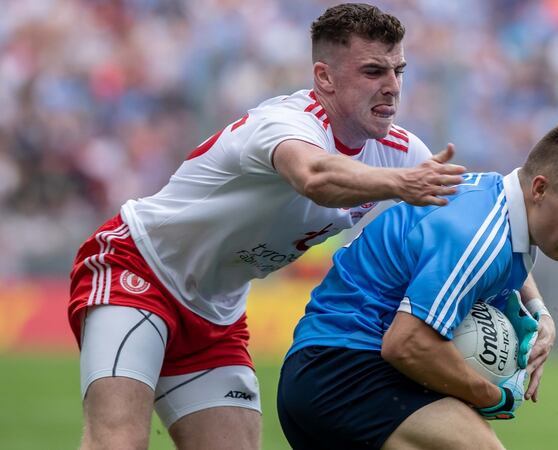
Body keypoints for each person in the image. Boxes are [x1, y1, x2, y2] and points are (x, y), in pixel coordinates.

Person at [66, 4, 475, 450]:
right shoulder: (283, 123)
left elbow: (471, 224)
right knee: (118, 441)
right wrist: (402, 183)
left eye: (399, 70)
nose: (392, 87)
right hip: (138, 269)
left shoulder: (401, 151)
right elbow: (314, 177)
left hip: (216, 313)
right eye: (374, 71)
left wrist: (536, 308)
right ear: (324, 77)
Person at [277, 121, 558, 450]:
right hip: (343, 372)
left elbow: (497, 253)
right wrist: (493, 396)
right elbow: (408, 344)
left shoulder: (497, 203)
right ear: (540, 189)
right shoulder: (478, 236)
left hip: (326, 369)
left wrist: (539, 311)